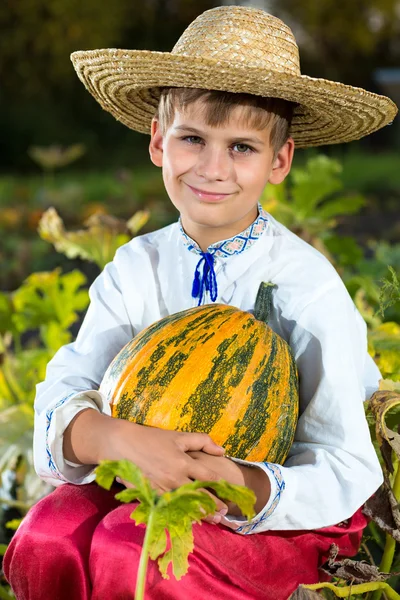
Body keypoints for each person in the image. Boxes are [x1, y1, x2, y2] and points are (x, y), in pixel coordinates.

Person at [4, 5, 398, 600]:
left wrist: (238, 479)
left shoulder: (306, 285)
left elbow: (344, 463)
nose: (213, 168)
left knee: (136, 549)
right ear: (159, 143)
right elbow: (68, 387)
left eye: (241, 147)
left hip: (273, 512)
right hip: (140, 476)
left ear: (280, 161)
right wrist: (113, 438)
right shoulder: (137, 267)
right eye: (193, 138)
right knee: (47, 533)